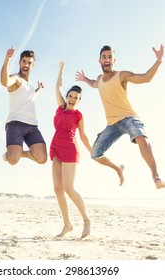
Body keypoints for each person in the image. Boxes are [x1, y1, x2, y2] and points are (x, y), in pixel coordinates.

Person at [76, 44, 165, 189]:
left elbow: (145, 78)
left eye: (110, 57)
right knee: (94, 153)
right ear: (99, 60)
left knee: (141, 137)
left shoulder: (122, 75)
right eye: (104, 57)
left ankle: (156, 177)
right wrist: (85, 78)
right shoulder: (100, 79)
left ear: (114, 60)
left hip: (128, 117)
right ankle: (118, 168)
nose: (107, 60)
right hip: (112, 125)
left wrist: (158, 61)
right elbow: (94, 84)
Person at [50, 61, 92, 239]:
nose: (73, 99)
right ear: (67, 97)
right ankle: (67, 224)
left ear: (79, 100)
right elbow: (57, 86)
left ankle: (87, 221)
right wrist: (61, 70)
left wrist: (92, 151)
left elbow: (83, 136)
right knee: (58, 189)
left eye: (76, 97)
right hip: (55, 148)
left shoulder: (78, 115)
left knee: (69, 188)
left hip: (70, 150)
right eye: (71, 96)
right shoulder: (60, 108)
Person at [0, 47, 47, 165]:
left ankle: (17, 152)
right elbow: (5, 82)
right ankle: (9, 155)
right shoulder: (16, 79)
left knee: (42, 158)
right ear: (20, 63)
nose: (26, 65)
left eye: (29, 62)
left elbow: (29, 98)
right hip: (15, 124)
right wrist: (7, 59)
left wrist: (38, 90)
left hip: (32, 126)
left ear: (33, 65)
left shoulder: (30, 84)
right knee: (13, 160)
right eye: (24, 61)